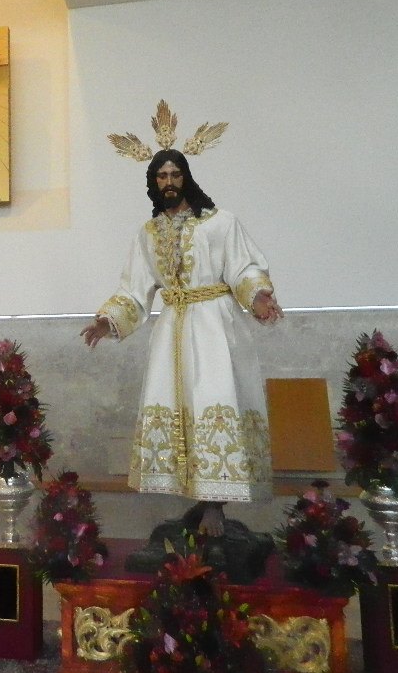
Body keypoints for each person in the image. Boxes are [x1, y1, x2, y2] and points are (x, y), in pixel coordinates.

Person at [81, 141, 283, 537]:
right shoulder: (148, 234)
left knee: (215, 401)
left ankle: (215, 504)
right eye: (162, 176)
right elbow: (134, 289)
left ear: (186, 177)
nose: (169, 182)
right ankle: (197, 498)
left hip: (214, 326)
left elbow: (243, 268)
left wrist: (258, 295)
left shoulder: (220, 223)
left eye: (175, 174)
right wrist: (109, 320)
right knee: (176, 408)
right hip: (172, 328)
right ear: (153, 182)